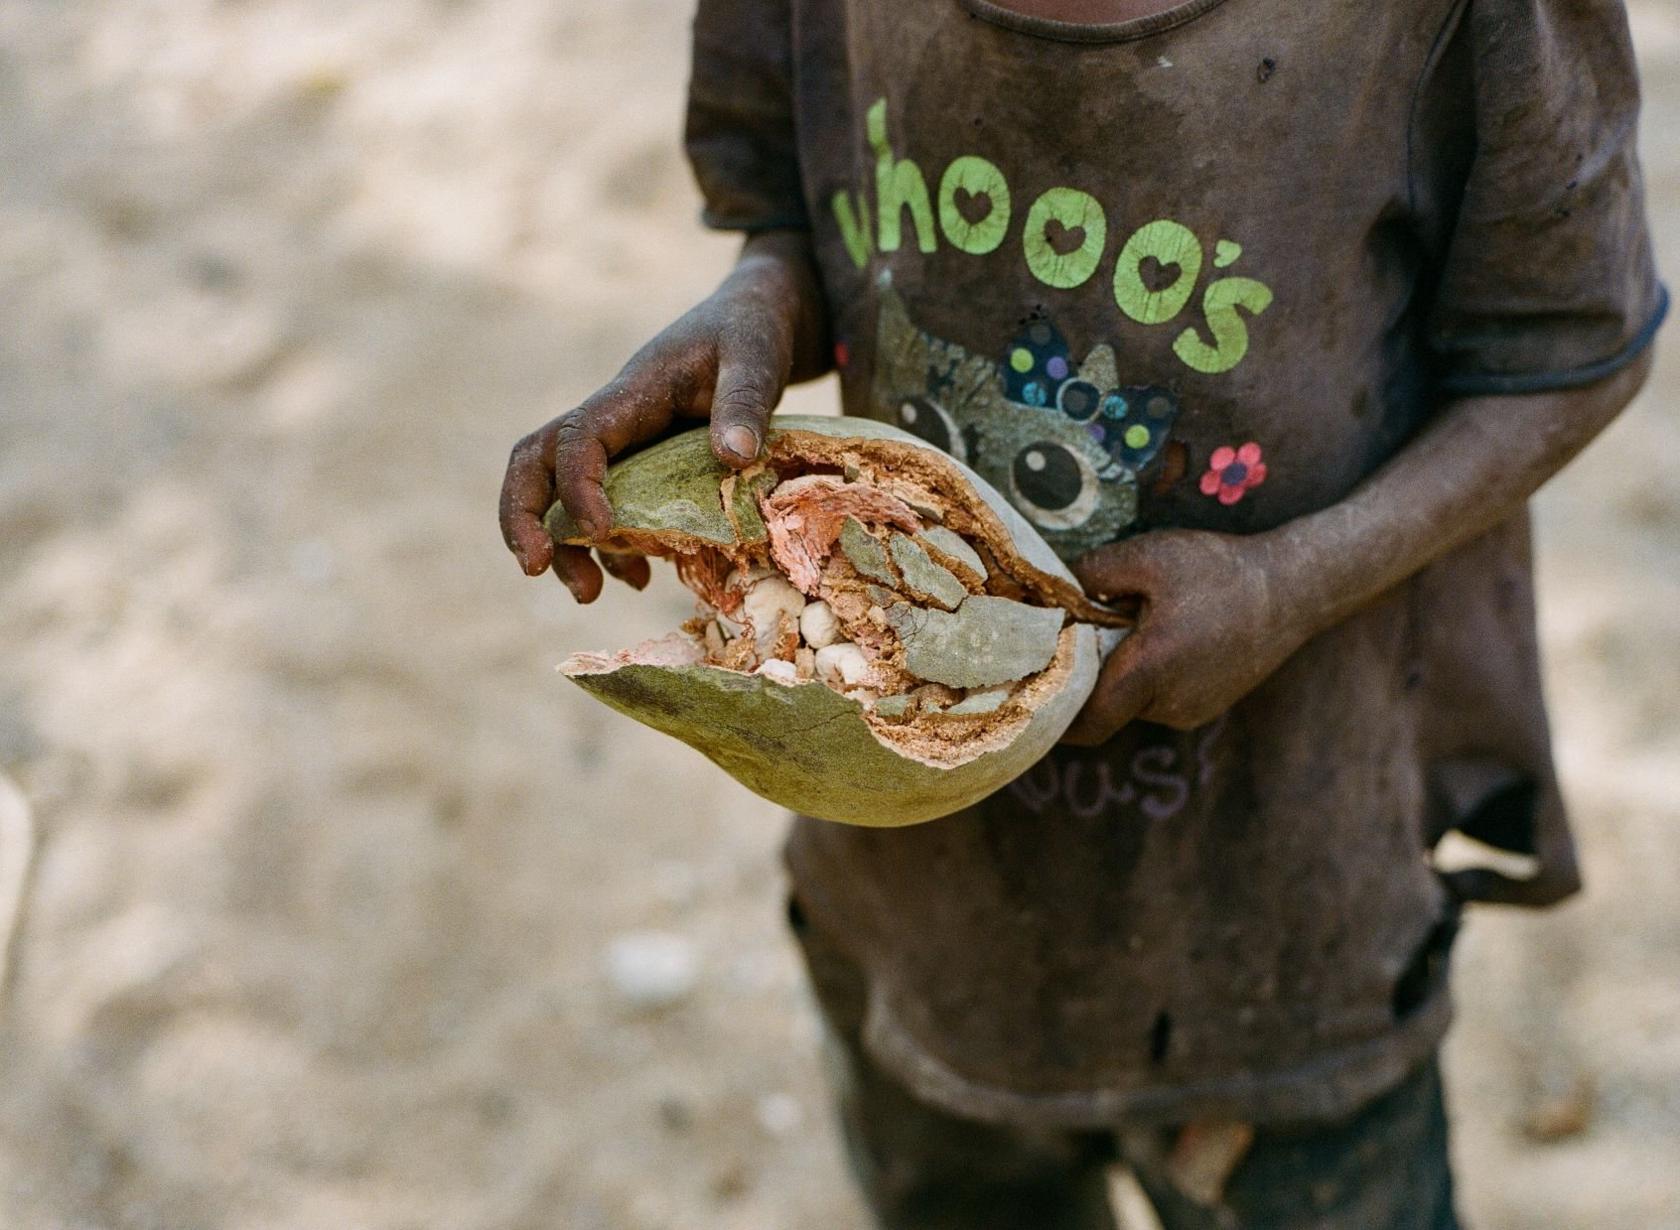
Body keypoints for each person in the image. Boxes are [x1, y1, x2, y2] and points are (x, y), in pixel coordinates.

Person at [499, 0, 1665, 1224]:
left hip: (1275, 915)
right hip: (925, 904)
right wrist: (759, 301)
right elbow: (788, 199)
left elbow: (1565, 351)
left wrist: (1289, 583)